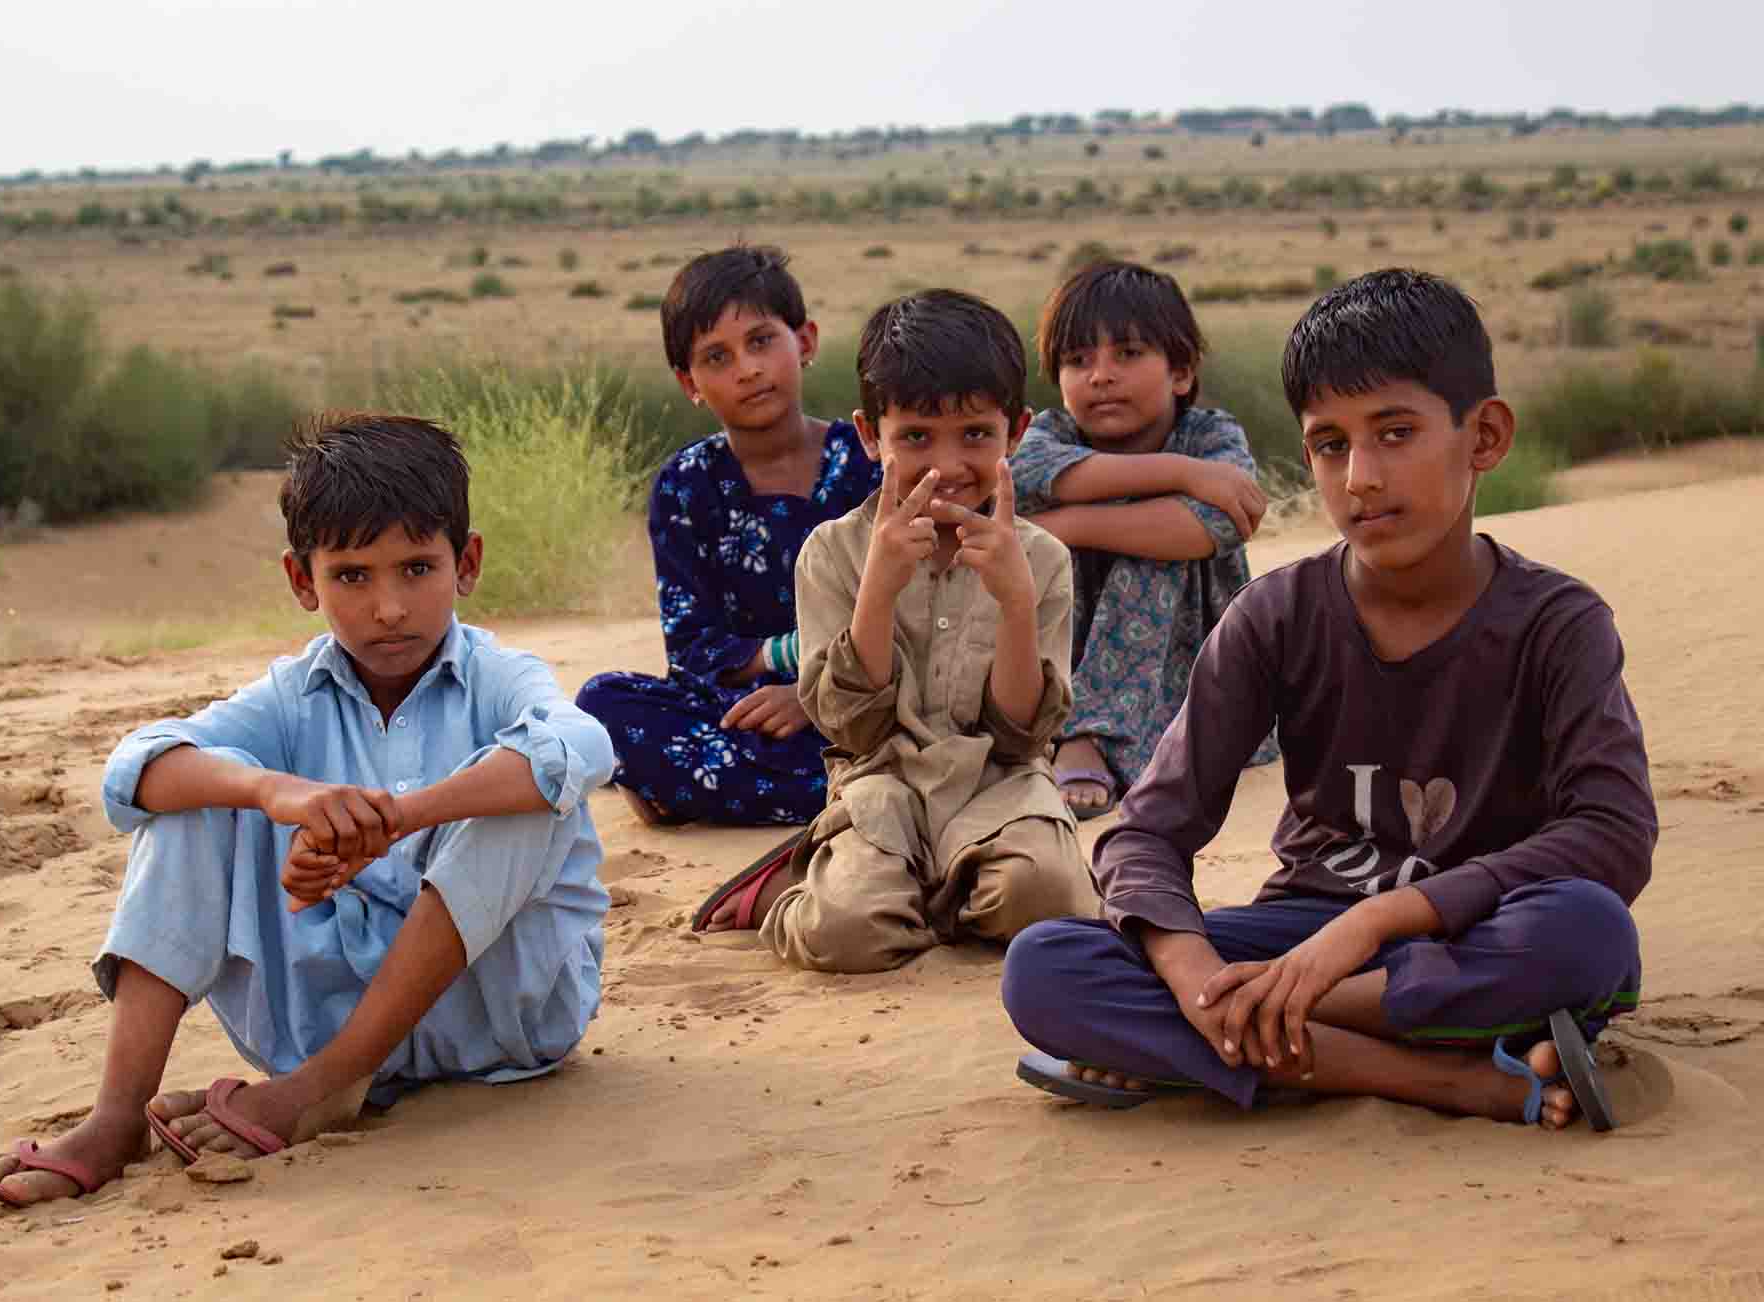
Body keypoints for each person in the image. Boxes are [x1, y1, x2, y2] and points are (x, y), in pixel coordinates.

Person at [1001, 269, 1657, 1130]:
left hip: (1467, 932)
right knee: (1046, 966)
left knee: (1588, 935)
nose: (1361, 479)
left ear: (1484, 435)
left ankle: (1240, 1042)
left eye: (1395, 433)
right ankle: (1445, 1075)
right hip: (1298, 930)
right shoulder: (1275, 615)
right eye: (1330, 445)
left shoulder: (1557, 624)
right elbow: (1146, 831)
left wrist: (1373, 928)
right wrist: (1198, 974)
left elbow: (1612, 832)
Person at [0, 414, 614, 1206]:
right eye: (352, 576)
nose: (390, 608)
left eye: (416, 568)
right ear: (303, 582)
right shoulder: (293, 696)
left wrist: (401, 818)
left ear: (465, 564)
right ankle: (115, 1119)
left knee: (527, 792)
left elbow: (582, 744)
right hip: (321, 1013)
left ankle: (324, 1088)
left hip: (498, 1023)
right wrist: (279, 792)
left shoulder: (500, 676)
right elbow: (134, 768)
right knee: (192, 795)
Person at [693, 288, 1098, 968]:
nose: (945, 464)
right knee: (845, 935)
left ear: (1017, 433)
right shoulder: (833, 553)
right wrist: (878, 589)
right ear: (868, 436)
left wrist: (1016, 605)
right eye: (915, 436)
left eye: (975, 435)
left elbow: (1025, 733)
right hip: (881, 785)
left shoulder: (1040, 559)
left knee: (1045, 902)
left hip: (998, 785)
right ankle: (789, 892)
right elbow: (851, 729)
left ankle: (924, 885)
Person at [576, 245, 881, 828]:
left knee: (914, 730)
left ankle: (701, 790)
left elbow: (915, 615)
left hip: (863, 700)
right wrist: (776, 670)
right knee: (601, 703)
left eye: (762, 341)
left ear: (806, 342)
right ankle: (830, 793)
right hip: (744, 713)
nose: (746, 369)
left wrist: (812, 696)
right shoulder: (685, 485)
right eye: (718, 357)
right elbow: (691, 648)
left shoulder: (868, 463)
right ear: (689, 382)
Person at [1012, 261, 1278, 819]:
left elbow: (1211, 526)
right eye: (1077, 361)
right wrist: (1184, 474)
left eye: (1127, 355)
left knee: (1159, 543)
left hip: (1190, 672)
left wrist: (1069, 524)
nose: (1100, 376)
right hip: (1065, 655)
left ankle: (1093, 736)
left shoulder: (1211, 435)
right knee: (1144, 525)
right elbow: (1026, 477)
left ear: (1180, 373)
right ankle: (1078, 728)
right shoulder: (1049, 435)